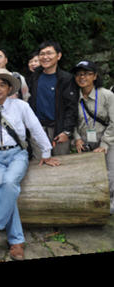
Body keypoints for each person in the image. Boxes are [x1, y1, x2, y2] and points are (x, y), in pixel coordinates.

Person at [0, 68, 60, 261]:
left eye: (2, 85)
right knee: (8, 190)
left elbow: (35, 128)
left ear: (10, 88)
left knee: (9, 183)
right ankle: (16, 242)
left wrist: (46, 152)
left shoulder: (20, 105)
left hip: (17, 154)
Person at [71, 60, 114, 214]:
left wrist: (105, 143)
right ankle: (94, 202)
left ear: (95, 76)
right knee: (88, 174)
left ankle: (110, 202)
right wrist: (76, 138)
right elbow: (71, 121)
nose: (83, 77)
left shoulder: (107, 95)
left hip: (107, 141)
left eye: (87, 74)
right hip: (85, 142)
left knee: (110, 173)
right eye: (79, 74)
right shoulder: (73, 96)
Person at [28, 40, 78, 159]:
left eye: (49, 53)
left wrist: (66, 131)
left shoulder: (66, 79)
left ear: (59, 56)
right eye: (42, 54)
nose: (45, 57)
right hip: (38, 128)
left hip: (58, 129)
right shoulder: (35, 76)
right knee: (39, 163)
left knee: (61, 163)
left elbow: (71, 107)